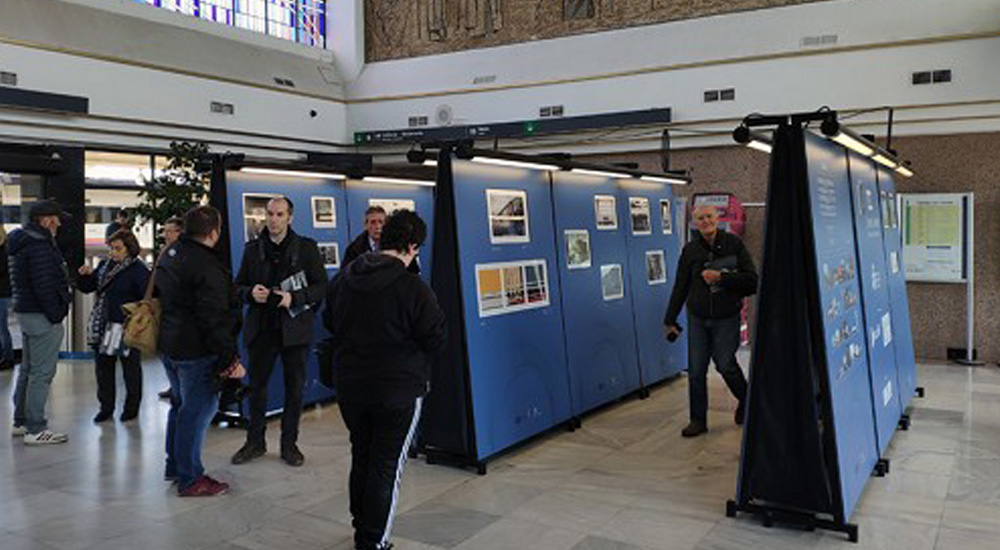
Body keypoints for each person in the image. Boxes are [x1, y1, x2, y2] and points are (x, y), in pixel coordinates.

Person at [324, 210, 446, 550]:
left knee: (362, 456)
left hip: (351, 386)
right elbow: (435, 338)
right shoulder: (414, 289)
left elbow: (330, 321)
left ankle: (361, 526)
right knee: (386, 467)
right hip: (398, 390)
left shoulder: (345, 277)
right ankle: (374, 540)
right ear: (412, 246)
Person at [231, 197, 326, 468]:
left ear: (290, 217)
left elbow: (322, 287)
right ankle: (255, 442)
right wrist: (250, 293)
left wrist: (293, 299)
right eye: (270, 214)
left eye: (279, 214)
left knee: (294, 390)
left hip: (295, 332)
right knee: (256, 388)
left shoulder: (306, 248)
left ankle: (289, 445)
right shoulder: (252, 250)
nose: (273, 219)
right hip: (261, 330)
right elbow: (237, 288)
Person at [156, 205, 244, 497]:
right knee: (197, 413)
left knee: (181, 407)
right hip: (195, 350)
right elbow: (213, 318)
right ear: (214, 232)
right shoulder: (207, 266)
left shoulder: (171, 254)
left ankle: (175, 466)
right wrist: (231, 358)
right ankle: (191, 478)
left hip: (170, 344)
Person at [664, 204, 758, 438]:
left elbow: (752, 281)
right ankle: (697, 420)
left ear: (717, 218)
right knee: (696, 371)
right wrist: (670, 318)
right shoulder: (690, 251)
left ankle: (747, 400)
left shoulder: (733, 244)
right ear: (695, 223)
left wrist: (722, 277)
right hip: (697, 317)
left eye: (709, 216)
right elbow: (680, 286)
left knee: (725, 364)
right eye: (700, 218)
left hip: (726, 317)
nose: (705, 221)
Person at [8, 200, 72, 445]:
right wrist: (56, 313)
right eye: (56, 218)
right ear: (45, 220)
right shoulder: (40, 245)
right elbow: (44, 284)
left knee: (28, 370)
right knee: (41, 373)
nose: (59, 223)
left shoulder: (21, 242)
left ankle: (21, 421)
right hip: (42, 315)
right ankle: (36, 428)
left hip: (27, 311)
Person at [77, 230, 150, 423]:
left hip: (125, 326)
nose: (113, 253)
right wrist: (84, 277)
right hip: (104, 324)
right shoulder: (104, 266)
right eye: (111, 248)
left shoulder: (138, 270)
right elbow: (89, 287)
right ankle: (106, 408)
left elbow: (146, 298)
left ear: (129, 249)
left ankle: (131, 408)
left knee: (130, 369)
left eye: (118, 249)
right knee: (103, 369)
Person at [344, 205, 420, 274]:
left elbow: (412, 272)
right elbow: (345, 275)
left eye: (381, 222)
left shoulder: (398, 245)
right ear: (366, 225)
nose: (377, 226)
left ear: (386, 224)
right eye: (373, 222)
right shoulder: (354, 249)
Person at [156, 216, 184, 401]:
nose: (166, 235)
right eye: (164, 231)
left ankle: (178, 389)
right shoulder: (165, 251)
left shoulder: (182, 253)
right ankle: (174, 386)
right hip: (164, 309)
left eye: (170, 231)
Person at [0, 226, 14, 371]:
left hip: (2, 294)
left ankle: (7, 357)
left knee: (2, 328)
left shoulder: (4, 251)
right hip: (4, 293)